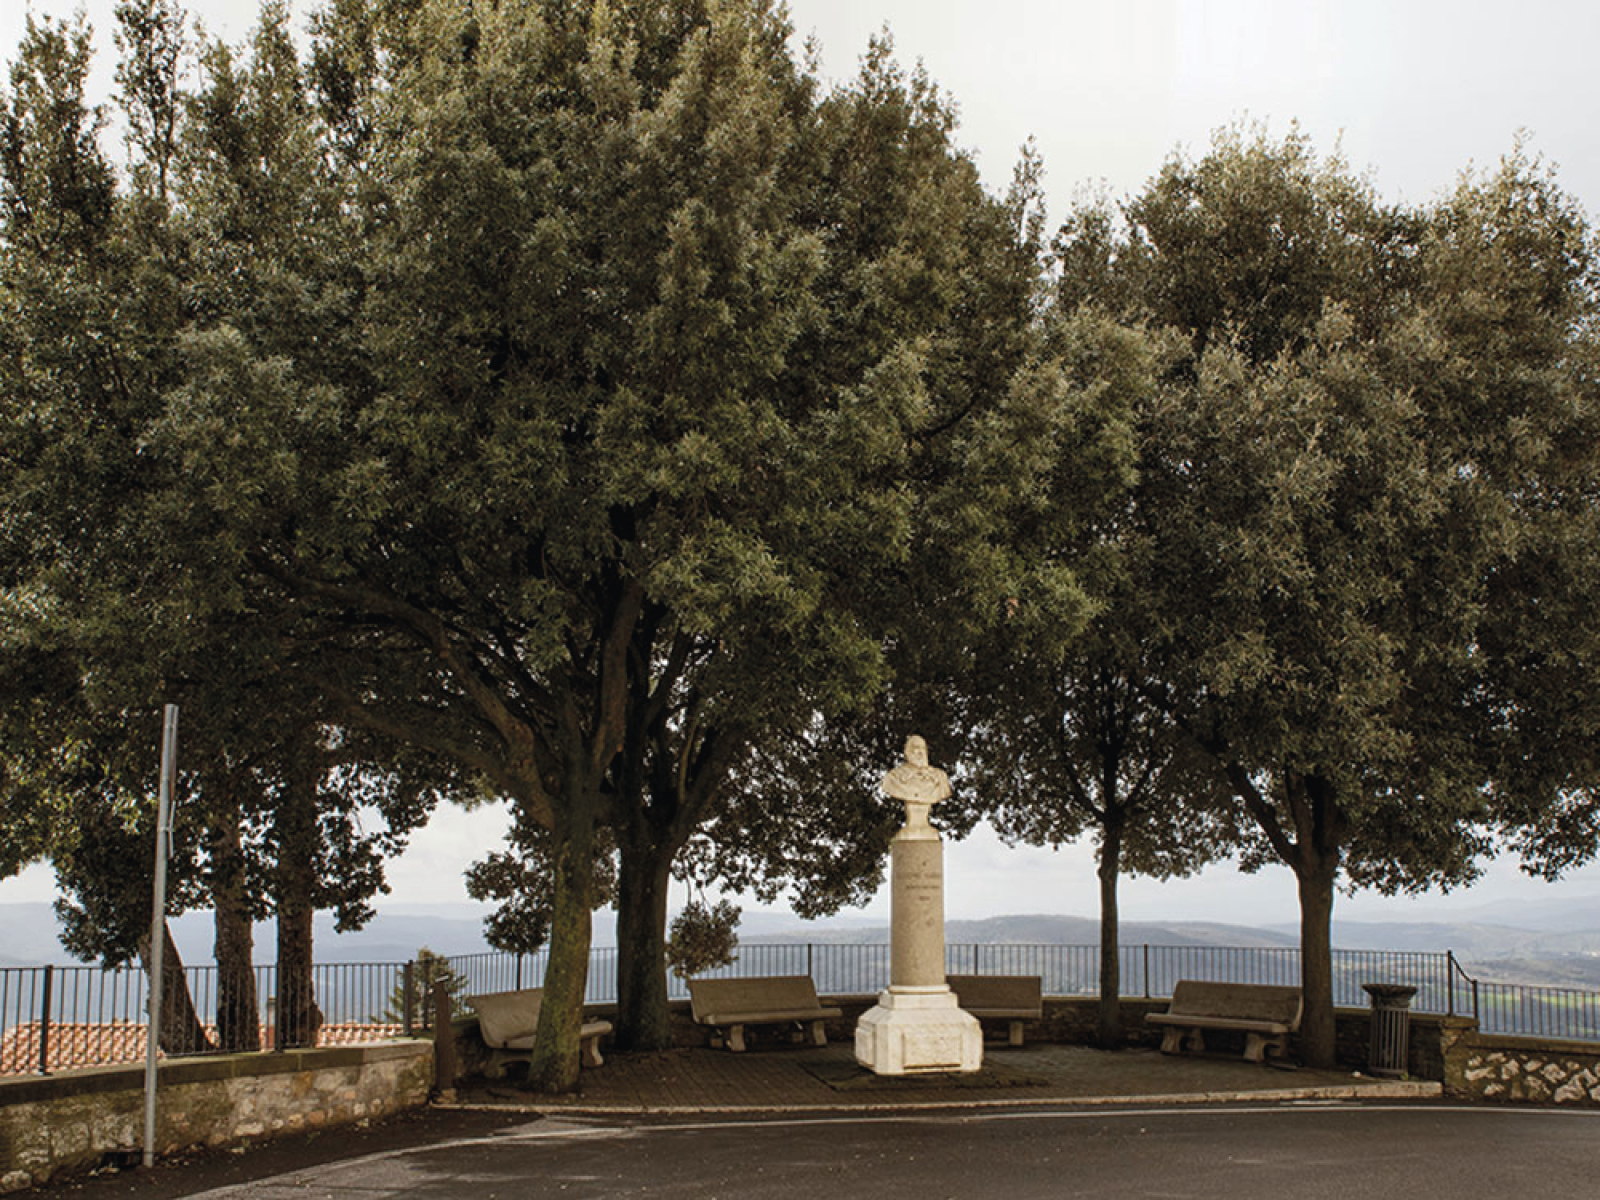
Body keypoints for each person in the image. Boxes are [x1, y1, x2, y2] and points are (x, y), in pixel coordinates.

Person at [881, 735, 951, 831]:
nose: (920, 752)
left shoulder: (940, 777)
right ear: (907, 752)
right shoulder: (894, 777)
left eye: (922, 748)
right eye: (915, 747)